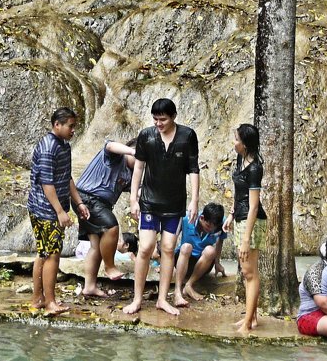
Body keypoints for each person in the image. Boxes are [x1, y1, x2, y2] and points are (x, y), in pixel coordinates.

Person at [123, 98, 200, 317]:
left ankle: (162, 299)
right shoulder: (146, 136)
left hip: (174, 205)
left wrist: (194, 200)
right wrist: (133, 198)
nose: (159, 123)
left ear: (173, 116)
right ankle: (137, 298)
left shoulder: (187, 136)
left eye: (163, 119)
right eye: (155, 119)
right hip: (149, 201)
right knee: (146, 247)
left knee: (167, 248)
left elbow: (193, 169)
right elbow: (138, 167)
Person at [27, 107, 90, 315]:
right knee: (52, 254)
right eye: (70, 126)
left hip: (50, 207)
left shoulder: (64, 146)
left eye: (74, 126)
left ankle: (38, 299)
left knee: (44, 253)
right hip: (45, 209)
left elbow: (67, 176)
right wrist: (60, 212)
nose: (73, 130)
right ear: (57, 125)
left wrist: (79, 203)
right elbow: (47, 183)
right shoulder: (47, 148)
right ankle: (50, 302)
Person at [75, 138, 137, 296]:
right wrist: (132, 151)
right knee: (111, 227)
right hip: (87, 198)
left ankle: (89, 286)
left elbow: (139, 191)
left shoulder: (132, 174)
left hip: (98, 203)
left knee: (96, 246)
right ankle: (109, 266)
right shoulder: (116, 157)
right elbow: (109, 145)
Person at [226, 123, 267, 334]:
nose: (233, 142)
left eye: (236, 139)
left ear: (244, 144)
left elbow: (253, 206)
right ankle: (252, 318)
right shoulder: (241, 160)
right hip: (241, 219)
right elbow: (239, 194)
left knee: (250, 273)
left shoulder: (255, 168)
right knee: (246, 272)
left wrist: (245, 239)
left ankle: (248, 322)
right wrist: (231, 215)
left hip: (253, 221)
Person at [174, 202, 227, 305]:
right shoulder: (186, 218)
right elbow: (172, 239)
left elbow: (220, 241)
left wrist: (217, 262)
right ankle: (177, 291)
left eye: (213, 228)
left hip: (202, 265)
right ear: (202, 218)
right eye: (208, 226)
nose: (211, 230)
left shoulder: (221, 223)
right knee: (186, 247)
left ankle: (189, 285)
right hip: (183, 260)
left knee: (211, 250)